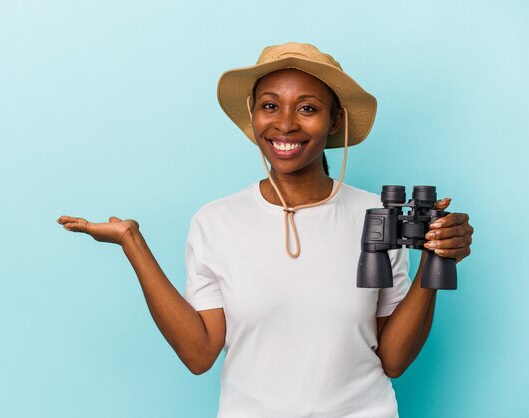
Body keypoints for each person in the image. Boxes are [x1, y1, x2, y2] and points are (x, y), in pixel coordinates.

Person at [57, 43, 473, 417]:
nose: (286, 124)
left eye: (308, 108)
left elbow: (394, 361)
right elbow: (200, 353)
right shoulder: (215, 221)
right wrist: (133, 242)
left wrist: (434, 260)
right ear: (253, 114)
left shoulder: (373, 213)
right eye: (270, 106)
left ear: (334, 121)